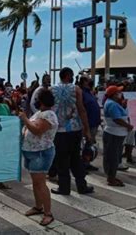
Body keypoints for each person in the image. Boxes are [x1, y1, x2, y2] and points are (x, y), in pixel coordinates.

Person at [50, 67, 94, 195]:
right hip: (74, 129)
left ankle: (64, 187)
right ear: (69, 75)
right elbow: (81, 109)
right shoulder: (76, 89)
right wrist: (87, 129)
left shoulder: (52, 89)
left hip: (59, 130)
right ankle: (81, 185)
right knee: (76, 158)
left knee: (61, 160)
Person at [19, 89, 58, 226]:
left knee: (41, 184)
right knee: (36, 182)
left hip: (40, 153)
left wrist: (24, 119)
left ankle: (48, 213)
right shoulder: (39, 113)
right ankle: (38, 206)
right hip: (31, 151)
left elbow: (37, 130)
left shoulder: (49, 115)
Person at [103, 86, 133, 186]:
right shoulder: (112, 104)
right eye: (118, 92)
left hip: (116, 133)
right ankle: (111, 179)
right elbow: (117, 119)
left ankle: (112, 176)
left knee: (113, 156)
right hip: (114, 134)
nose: (121, 94)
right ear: (114, 94)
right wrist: (128, 125)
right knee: (113, 157)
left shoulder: (114, 103)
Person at [78, 75, 100, 171]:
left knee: (89, 145)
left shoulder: (90, 93)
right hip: (86, 124)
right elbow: (81, 109)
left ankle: (87, 163)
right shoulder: (81, 93)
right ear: (83, 82)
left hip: (94, 123)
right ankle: (81, 165)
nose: (91, 81)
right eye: (88, 80)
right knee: (83, 146)